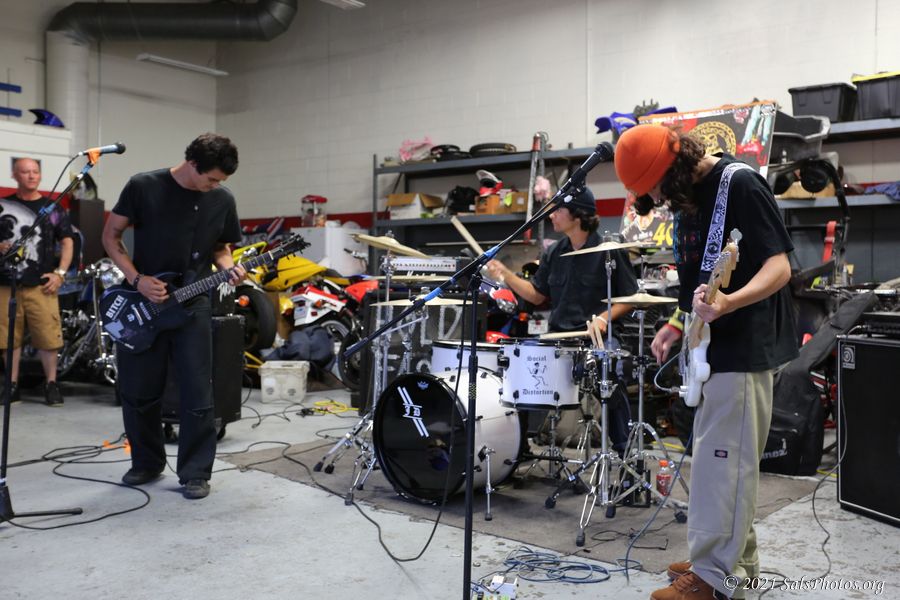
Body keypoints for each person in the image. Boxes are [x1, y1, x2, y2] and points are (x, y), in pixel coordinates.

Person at [613, 124, 798, 600]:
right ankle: (736, 565)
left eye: (656, 189)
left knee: (724, 468)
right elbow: (699, 280)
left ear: (672, 169)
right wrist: (678, 324)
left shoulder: (740, 184)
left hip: (743, 346)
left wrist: (731, 302)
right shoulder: (691, 197)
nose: (658, 199)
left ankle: (714, 579)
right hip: (712, 345)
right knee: (722, 466)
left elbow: (779, 266)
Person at [101, 133, 246, 500]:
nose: (215, 186)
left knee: (198, 391)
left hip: (193, 303)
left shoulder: (222, 199)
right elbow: (110, 236)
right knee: (139, 390)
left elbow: (221, 247)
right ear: (192, 164)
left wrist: (229, 267)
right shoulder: (143, 186)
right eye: (211, 178)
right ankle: (146, 463)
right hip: (144, 302)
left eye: (220, 181)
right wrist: (137, 280)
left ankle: (195, 472)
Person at [486, 186, 638, 456]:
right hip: (559, 337)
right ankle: (520, 449)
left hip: (596, 339)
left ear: (578, 215)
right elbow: (536, 295)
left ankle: (625, 450)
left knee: (610, 370)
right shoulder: (554, 252)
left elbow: (630, 298)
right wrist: (506, 275)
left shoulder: (609, 251)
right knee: (523, 364)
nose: (551, 215)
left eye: (558, 210)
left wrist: (603, 318)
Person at [0, 157, 75, 406]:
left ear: (40, 175)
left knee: (48, 337)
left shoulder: (52, 208)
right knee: (8, 337)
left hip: (42, 285)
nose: (31, 176)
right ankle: (11, 386)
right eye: (25, 172)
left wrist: (60, 273)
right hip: (6, 284)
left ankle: (51, 384)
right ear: (14, 175)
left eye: (35, 171)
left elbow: (67, 241)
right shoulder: (3, 205)